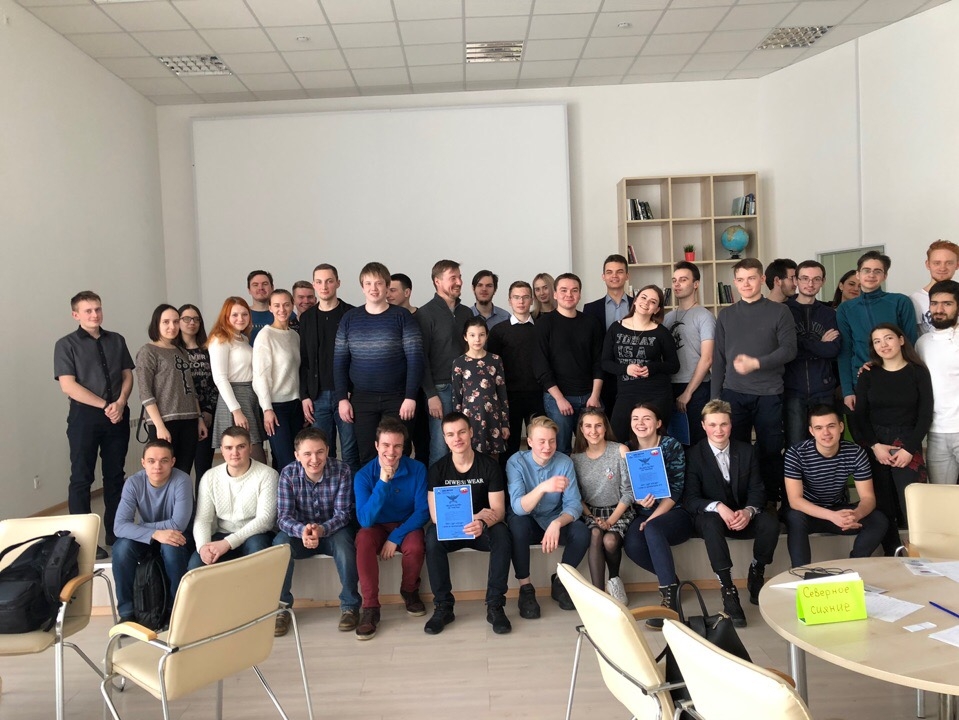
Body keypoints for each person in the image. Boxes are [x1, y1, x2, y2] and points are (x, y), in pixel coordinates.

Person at [683, 401, 779, 626]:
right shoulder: (694, 455)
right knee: (710, 523)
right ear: (703, 426)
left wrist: (748, 511)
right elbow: (690, 499)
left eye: (723, 424)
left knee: (770, 521)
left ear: (731, 425)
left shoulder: (746, 451)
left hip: (742, 515)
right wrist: (718, 506)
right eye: (712, 425)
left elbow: (758, 490)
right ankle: (727, 589)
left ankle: (757, 569)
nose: (718, 430)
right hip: (712, 518)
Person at [54, 290, 134, 558]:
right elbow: (68, 385)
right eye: (88, 310)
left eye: (97, 309)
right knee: (81, 478)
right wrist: (105, 405)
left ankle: (116, 531)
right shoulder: (65, 345)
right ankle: (83, 541)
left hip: (118, 414)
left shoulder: (117, 340)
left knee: (115, 476)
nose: (95, 314)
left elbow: (127, 375)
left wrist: (120, 402)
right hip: (85, 417)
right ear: (75, 315)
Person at [712, 258, 797, 508]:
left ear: (762, 279)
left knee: (770, 450)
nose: (746, 284)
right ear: (735, 282)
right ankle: (738, 504)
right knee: (735, 452)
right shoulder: (726, 315)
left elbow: (789, 350)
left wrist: (756, 363)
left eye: (751, 278)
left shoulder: (780, 311)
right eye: (740, 280)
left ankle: (769, 502)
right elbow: (718, 359)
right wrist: (714, 401)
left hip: (769, 393)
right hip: (733, 394)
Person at [423, 413, 512, 635]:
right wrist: (472, 517)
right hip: (452, 530)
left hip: (482, 530)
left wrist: (481, 521)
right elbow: (436, 517)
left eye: (462, 432)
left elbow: (499, 511)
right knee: (432, 536)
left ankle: (495, 605)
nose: (457, 438)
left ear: (471, 432)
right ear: (445, 439)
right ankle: (443, 607)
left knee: (502, 533)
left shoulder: (489, 466)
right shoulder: (437, 470)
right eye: (450, 434)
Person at [272, 427, 360, 637]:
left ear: (328, 450)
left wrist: (321, 529)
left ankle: (350, 606)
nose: (314, 459)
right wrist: (303, 530)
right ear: (297, 455)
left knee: (345, 546)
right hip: (299, 534)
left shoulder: (342, 470)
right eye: (307, 454)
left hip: (333, 530)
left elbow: (343, 514)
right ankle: (282, 608)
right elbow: (283, 517)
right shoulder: (288, 473)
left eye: (320, 452)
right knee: (279, 546)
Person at [335, 262, 424, 465]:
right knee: (368, 455)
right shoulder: (350, 319)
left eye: (378, 283)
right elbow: (339, 361)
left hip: (398, 398)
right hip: (362, 399)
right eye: (368, 283)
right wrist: (342, 399)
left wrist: (410, 396)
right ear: (362, 287)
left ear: (386, 286)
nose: (373, 288)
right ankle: (375, 488)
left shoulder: (402, 317)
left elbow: (415, 358)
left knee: (399, 453)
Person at [855, 324, 932, 553]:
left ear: (901, 340)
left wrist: (909, 449)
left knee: (913, 503)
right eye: (877, 341)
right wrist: (874, 446)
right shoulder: (868, 374)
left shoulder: (918, 372)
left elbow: (925, 414)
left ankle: (922, 556)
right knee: (882, 505)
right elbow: (860, 416)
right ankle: (892, 554)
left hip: (907, 442)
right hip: (876, 443)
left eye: (888, 338)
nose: (883, 345)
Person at [353, 418, 429, 640]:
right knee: (363, 539)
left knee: (415, 546)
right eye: (386, 445)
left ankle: (409, 590)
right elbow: (365, 520)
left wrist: (395, 536)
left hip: (406, 524)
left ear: (404, 447)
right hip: (376, 526)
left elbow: (422, 512)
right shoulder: (363, 475)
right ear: (376, 445)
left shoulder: (417, 469)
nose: (391, 451)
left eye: (397, 446)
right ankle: (370, 607)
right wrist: (383, 483)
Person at [782, 406, 888, 567]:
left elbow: (868, 498)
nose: (826, 433)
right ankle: (801, 572)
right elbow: (795, 501)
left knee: (878, 520)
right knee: (794, 517)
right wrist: (832, 516)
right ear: (811, 431)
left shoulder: (855, 452)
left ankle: (854, 566)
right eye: (819, 428)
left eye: (831, 426)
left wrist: (856, 515)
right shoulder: (796, 453)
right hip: (809, 512)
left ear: (841, 427)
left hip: (838, 509)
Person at [506, 416, 589, 618]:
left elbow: (573, 505)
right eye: (541, 441)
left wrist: (557, 523)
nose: (547, 447)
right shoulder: (516, 462)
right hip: (528, 520)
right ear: (530, 442)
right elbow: (518, 507)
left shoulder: (564, 462)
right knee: (517, 524)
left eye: (552, 441)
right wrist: (543, 487)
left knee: (582, 532)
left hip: (553, 518)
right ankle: (526, 589)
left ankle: (561, 582)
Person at [621, 403, 693, 629]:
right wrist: (637, 500)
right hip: (643, 512)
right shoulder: (627, 449)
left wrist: (652, 518)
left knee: (652, 528)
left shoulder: (671, 445)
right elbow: (625, 489)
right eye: (635, 418)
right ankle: (672, 581)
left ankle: (670, 604)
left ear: (658, 423)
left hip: (675, 512)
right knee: (632, 545)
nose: (640, 423)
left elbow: (676, 491)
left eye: (647, 418)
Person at [112, 440, 193, 624]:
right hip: (150, 537)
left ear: (172, 462)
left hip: (179, 536)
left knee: (171, 546)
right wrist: (155, 533)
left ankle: (175, 610)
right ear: (143, 463)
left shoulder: (182, 480)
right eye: (151, 461)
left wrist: (145, 529)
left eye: (164, 461)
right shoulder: (133, 483)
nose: (157, 466)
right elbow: (119, 526)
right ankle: (127, 613)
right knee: (121, 549)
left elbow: (178, 524)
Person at [836, 251, 917, 418]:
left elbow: (911, 344)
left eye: (877, 271)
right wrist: (847, 391)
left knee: (899, 428)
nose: (871, 275)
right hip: (861, 380)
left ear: (885, 276)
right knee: (864, 432)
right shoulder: (845, 309)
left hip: (897, 379)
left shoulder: (900, 302)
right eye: (866, 270)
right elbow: (845, 351)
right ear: (858, 274)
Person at [533, 273, 604, 455]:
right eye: (563, 290)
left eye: (574, 290)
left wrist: (595, 396)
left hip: (589, 397)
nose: (569, 295)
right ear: (555, 294)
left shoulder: (591, 323)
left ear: (580, 294)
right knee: (560, 449)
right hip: (558, 398)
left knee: (592, 449)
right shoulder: (544, 324)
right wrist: (559, 399)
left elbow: (599, 362)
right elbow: (541, 366)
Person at [189, 425, 278, 570]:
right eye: (229, 448)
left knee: (256, 549)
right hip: (222, 534)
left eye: (241, 447)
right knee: (196, 565)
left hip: (255, 534)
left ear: (250, 448)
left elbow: (265, 520)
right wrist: (203, 547)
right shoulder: (210, 477)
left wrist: (228, 543)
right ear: (222, 450)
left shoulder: (267, 475)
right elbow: (203, 519)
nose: (234, 453)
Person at [299, 263, 358, 473]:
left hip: (347, 395)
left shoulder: (352, 314)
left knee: (350, 451)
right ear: (314, 285)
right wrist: (305, 396)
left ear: (338, 283)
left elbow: (357, 357)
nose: (324, 286)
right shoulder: (306, 318)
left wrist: (350, 390)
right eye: (319, 282)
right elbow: (304, 360)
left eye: (329, 281)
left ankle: (351, 494)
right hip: (317, 396)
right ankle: (329, 493)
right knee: (322, 452)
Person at [602, 284, 679, 443]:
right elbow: (605, 363)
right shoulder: (616, 328)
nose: (646, 303)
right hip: (626, 393)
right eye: (643, 297)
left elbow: (674, 365)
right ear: (635, 301)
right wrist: (626, 369)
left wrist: (652, 367)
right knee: (617, 439)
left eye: (653, 302)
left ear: (657, 309)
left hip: (657, 394)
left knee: (652, 441)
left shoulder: (661, 332)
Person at [570, 409, 633, 604]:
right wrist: (591, 517)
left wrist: (610, 521)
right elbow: (577, 496)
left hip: (619, 510)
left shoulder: (620, 450)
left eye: (598, 425)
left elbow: (628, 492)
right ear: (581, 429)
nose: (593, 431)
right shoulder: (575, 458)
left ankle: (614, 580)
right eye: (588, 426)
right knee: (596, 534)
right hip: (591, 513)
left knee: (610, 541)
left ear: (605, 427)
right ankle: (598, 596)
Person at [135, 304, 205, 476]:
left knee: (183, 472)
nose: (172, 326)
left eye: (175, 321)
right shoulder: (148, 351)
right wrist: (159, 426)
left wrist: (199, 418)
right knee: (163, 473)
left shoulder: (180, 351)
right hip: (165, 421)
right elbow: (145, 392)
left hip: (189, 420)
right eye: (166, 322)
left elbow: (191, 389)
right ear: (156, 324)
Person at [415, 259, 472, 465]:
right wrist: (431, 395)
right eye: (453, 278)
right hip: (440, 389)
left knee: (466, 445)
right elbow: (420, 358)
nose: (459, 282)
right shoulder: (425, 314)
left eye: (460, 277)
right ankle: (436, 486)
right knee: (440, 446)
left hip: (467, 388)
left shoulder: (466, 312)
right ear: (437, 281)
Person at [783, 260, 840, 449]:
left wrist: (800, 343)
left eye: (816, 279)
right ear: (796, 281)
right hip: (792, 390)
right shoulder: (783, 311)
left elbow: (833, 350)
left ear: (823, 281)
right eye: (805, 278)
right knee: (796, 446)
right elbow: (787, 351)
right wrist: (819, 344)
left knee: (826, 445)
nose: (810, 283)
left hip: (823, 390)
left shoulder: (829, 314)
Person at [487, 280, 544, 465]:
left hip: (537, 395)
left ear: (532, 300)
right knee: (509, 445)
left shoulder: (541, 328)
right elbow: (492, 368)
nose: (521, 301)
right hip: (509, 397)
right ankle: (508, 483)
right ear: (509, 300)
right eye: (516, 297)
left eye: (525, 297)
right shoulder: (498, 331)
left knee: (539, 443)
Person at [207, 296, 267, 463]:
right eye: (235, 315)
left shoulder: (243, 338)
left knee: (254, 455)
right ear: (226, 316)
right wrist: (236, 411)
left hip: (249, 395)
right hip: (234, 398)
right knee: (246, 454)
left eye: (244, 314)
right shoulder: (220, 338)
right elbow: (220, 378)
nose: (240, 318)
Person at [663, 261, 714, 447]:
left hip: (696, 388)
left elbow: (707, 358)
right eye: (674, 280)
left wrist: (688, 392)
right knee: (675, 443)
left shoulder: (705, 316)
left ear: (696, 284)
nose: (677, 284)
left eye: (683, 280)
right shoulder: (668, 317)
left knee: (696, 442)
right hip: (671, 386)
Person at [253, 289, 303, 470]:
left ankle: (282, 489)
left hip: (295, 405)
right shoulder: (265, 336)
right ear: (270, 308)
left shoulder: (294, 336)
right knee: (286, 461)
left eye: (286, 304)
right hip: (276, 407)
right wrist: (267, 409)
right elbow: (260, 376)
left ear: (292, 306)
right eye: (277, 305)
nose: (282, 309)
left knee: (297, 460)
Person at [917, 280, 959, 485]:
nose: (939, 309)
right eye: (934, 303)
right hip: (936, 432)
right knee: (940, 496)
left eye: (947, 303)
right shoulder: (922, 343)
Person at [452, 316, 509, 457]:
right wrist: (457, 427)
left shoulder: (495, 360)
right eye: (472, 335)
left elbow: (502, 393)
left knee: (493, 458)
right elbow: (457, 397)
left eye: (481, 335)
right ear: (465, 337)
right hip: (469, 418)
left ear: (486, 336)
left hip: (492, 417)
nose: (477, 339)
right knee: (470, 456)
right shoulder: (459, 363)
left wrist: (505, 423)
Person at [583, 254, 634, 412]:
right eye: (609, 272)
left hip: (633, 374)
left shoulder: (638, 304)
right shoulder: (590, 309)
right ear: (603, 276)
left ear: (627, 276)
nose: (614, 276)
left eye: (619, 271)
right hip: (603, 375)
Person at [177, 304, 218, 486]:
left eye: (195, 319)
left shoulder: (208, 349)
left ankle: (202, 504)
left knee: (204, 467)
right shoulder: (174, 351)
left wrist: (208, 410)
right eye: (186, 318)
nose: (191, 323)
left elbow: (215, 381)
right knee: (182, 468)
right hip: (183, 414)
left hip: (207, 414)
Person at [911, 240, 959, 335]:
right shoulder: (914, 300)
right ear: (928, 264)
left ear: (957, 265)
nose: (942, 268)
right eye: (937, 263)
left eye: (949, 263)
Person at [246, 269, 274, 342]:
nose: (260, 288)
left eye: (265, 284)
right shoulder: (240, 316)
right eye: (255, 285)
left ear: (272, 288)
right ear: (249, 290)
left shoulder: (284, 314)